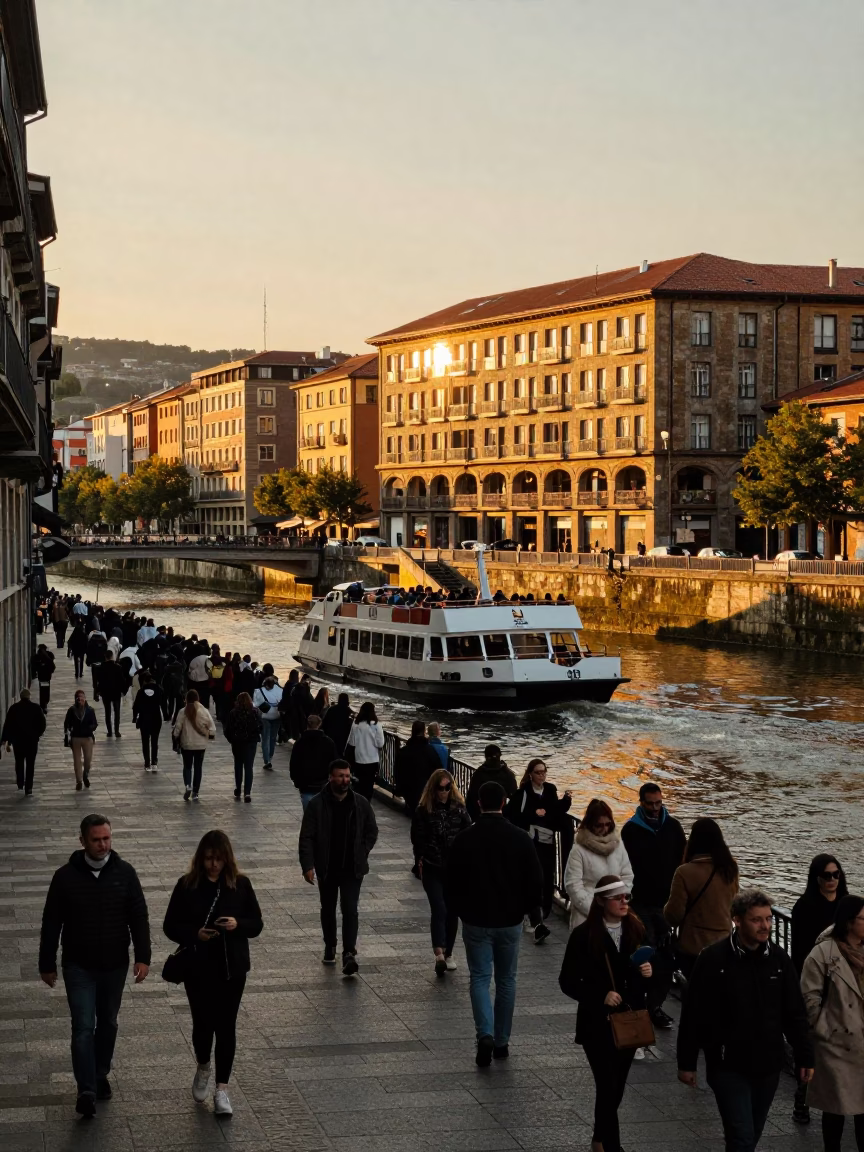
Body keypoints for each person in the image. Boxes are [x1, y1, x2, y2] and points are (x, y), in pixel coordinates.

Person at [677, 888, 814, 1152]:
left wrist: (805, 1056)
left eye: (768, 919)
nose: (765, 926)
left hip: (768, 1063)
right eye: (757, 920)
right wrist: (687, 1063)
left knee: (752, 1133)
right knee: (741, 1135)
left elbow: (794, 1012)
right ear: (736, 920)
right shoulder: (713, 959)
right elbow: (694, 1014)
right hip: (728, 1064)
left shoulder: (779, 960)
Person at [38, 814, 151, 1118]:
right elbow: (51, 922)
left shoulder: (125, 873)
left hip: (115, 964)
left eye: (107, 839)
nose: (103, 845)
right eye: (96, 840)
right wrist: (46, 963)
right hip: (79, 965)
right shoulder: (65, 877)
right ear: (83, 842)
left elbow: (138, 916)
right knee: (83, 1026)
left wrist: (143, 956)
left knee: (109, 1023)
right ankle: (86, 1088)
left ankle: (100, 1073)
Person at [163, 830, 263, 1117]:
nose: (214, 865)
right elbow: (170, 925)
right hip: (198, 966)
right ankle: (204, 1064)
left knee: (227, 1025)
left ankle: (222, 1089)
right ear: (200, 858)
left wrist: (236, 924)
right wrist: (196, 934)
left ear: (227, 859)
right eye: (208, 859)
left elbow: (256, 923)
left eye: (218, 859)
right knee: (203, 1024)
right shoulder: (187, 886)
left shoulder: (240, 885)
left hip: (232, 968)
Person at [444, 780, 544, 1065]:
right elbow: (535, 880)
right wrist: (527, 911)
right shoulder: (520, 838)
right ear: (504, 803)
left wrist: (459, 910)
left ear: (478, 804)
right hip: (509, 920)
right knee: (507, 980)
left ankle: (484, 1033)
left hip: (476, 919)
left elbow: (451, 882)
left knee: (479, 978)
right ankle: (502, 1041)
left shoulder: (465, 838)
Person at [559, 876, 653, 1152]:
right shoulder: (583, 935)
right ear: (601, 901)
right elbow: (567, 981)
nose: (624, 902)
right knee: (607, 1084)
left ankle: (599, 1138)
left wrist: (647, 973)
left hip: (628, 1021)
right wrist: (600, 996)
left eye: (626, 897)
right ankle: (612, 1146)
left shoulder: (636, 929)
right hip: (596, 1024)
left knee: (617, 1087)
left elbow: (646, 976)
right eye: (617, 898)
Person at [298, 759, 379, 976]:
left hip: (353, 868)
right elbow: (307, 836)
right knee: (328, 908)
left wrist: (363, 850)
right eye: (340, 776)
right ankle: (330, 945)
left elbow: (372, 830)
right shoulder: (317, 804)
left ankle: (349, 952)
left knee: (350, 910)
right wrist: (308, 865)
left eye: (347, 776)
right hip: (328, 866)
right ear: (330, 778)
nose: (344, 780)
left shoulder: (360, 803)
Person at [800, 895, 864, 1152]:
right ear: (849, 922)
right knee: (835, 1110)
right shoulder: (823, 953)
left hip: (861, 1044)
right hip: (835, 1043)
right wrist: (824, 1027)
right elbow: (808, 996)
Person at [621, 782, 686, 1030]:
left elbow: (683, 860)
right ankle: (645, 1006)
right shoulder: (630, 830)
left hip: (667, 904)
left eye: (659, 803)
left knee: (666, 958)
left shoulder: (673, 827)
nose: (656, 808)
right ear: (641, 803)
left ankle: (653, 1005)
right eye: (650, 803)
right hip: (640, 902)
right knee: (647, 953)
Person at [790, 855, 850, 1124]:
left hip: (846, 985)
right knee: (813, 1044)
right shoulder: (804, 907)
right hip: (817, 983)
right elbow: (801, 951)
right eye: (827, 875)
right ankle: (802, 1097)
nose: (832, 880)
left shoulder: (847, 906)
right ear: (816, 878)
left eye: (836, 874)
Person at [411, 768, 471, 975]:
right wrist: (419, 859)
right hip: (432, 866)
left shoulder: (460, 809)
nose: (444, 792)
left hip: (454, 869)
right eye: (440, 788)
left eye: (447, 787)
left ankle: (449, 953)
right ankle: (439, 952)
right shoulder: (423, 811)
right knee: (439, 907)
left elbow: (467, 834)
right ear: (433, 789)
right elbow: (417, 838)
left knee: (452, 911)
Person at [664, 817, 739, 978]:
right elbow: (734, 903)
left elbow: (674, 915)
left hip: (694, 947)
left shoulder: (684, 872)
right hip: (724, 944)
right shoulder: (730, 869)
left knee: (695, 996)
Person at [505, 758, 572, 932]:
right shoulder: (524, 793)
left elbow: (556, 810)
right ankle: (532, 914)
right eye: (538, 772)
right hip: (530, 841)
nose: (542, 775)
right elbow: (514, 814)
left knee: (547, 875)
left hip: (547, 840)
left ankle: (543, 911)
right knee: (533, 876)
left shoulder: (550, 789)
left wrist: (566, 800)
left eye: (544, 772)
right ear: (530, 774)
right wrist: (534, 813)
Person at [564, 799, 634, 931]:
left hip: (615, 915)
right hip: (586, 916)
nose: (604, 829)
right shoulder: (578, 850)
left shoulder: (618, 845)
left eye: (608, 824)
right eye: (599, 825)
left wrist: (620, 900)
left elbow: (627, 875)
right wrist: (594, 910)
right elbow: (573, 885)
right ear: (590, 824)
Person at [172, 689, 216, 802]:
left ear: (186, 699)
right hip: (201, 744)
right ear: (198, 698)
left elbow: (177, 728)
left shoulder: (182, 711)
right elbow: (212, 727)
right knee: (198, 767)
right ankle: (196, 792)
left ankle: (188, 785)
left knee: (187, 766)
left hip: (186, 743)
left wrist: (175, 737)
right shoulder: (204, 711)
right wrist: (210, 735)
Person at [1, 687, 46, 795]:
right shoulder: (36, 708)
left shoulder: (14, 708)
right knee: (30, 764)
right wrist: (37, 735)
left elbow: (8, 725)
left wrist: (5, 740)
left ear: (20, 697)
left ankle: (20, 783)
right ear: (29, 697)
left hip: (18, 741)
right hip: (31, 742)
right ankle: (29, 788)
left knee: (19, 762)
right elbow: (42, 724)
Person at [394, 720, 442, 818]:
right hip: (424, 789)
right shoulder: (429, 750)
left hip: (407, 789)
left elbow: (397, 770)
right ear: (424, 732)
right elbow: (438, 770)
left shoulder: (404, 751)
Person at [289, 714, 338, 809]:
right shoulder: (328, 742)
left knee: (308, 813)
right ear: (319, 724)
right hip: (323, 782)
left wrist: (295, 779)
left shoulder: (300, 742)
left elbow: (294, 762)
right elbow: (334, 762)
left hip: (305, 783)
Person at [223, 692, 262, 802]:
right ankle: (247, 792)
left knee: (238, 765)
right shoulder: (254, 712)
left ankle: (238, 788)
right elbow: (260, 726)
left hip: (237, 742)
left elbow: (228, 729)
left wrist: (232, 740)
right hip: (251, 742)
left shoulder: (233, 713)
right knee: (249, 766)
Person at [464, 744, 517, 822]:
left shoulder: (478, 773)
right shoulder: (507, 773)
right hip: (502, 816)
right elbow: (514, 797)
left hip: (482, 816)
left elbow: (471, 798)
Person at [346, 701, 385, 800]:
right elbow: (380, 743)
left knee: (359, 784)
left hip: (359, 758)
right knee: (369, 784)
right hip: (372, 759)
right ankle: (366, 804)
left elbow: (352, 742)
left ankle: (358, 802)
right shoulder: (377, 725)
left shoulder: (356, 724)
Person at [63, 689, 99, 791]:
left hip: (87, 738)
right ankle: (78, 781)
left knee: (87, 760)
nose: (80, 699)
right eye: (78, 697)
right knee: (77, 761)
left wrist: (90, 728)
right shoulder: (72, 710)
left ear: (85, 698)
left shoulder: (90, 710)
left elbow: (95, 723)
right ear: (76, 699)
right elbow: (66, 724)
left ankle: (85, 774)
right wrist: (67, 734)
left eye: (82, 697)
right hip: (76, 738)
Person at [132, 671, 163, 772]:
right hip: (156, 718)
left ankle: (147, 763)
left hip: (144, 719)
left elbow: (135, 706)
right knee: (155, 741)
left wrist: (134, 718)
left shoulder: (141, 691)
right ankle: (154, 762)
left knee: (145, 742)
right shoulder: (159, 689)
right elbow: (163, 703)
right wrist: (166, 715)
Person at [252, 675, 283, 771]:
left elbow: (255, 705)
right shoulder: (280, 690)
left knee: (265, 739)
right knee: (273, 738)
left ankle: (267, 760)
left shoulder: (258, 691)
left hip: (265, 716)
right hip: (277, 716)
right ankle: (270, 756)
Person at [96, 650, 128, 738]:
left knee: (107, 712)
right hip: (116, 693)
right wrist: (123, 691)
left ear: (105, 657)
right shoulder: (118, 667)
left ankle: (109, 731)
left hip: (105, 693)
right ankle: (117, 731)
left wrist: (97, 692)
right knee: (117, 712)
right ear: (112, 656)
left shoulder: (101, 667)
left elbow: (99, 681)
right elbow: (122, 680)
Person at [31, 643, 56, 713]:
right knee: (45, 690)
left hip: (42, 677)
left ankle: (43, 705)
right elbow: (52, 666)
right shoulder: (47, 655)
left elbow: (33, 665)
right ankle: (44, 705)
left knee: (43, 691)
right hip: (46, 677)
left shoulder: (39, 656)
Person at [85, 627, 108, 701]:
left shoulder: (91, 641)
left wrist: (88, 661)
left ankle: (95, 694)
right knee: (101, 678)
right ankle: (100, 691)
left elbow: (88, 652)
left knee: (94, 679)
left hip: (94, 663)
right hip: (102, 663)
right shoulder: (104, 640)